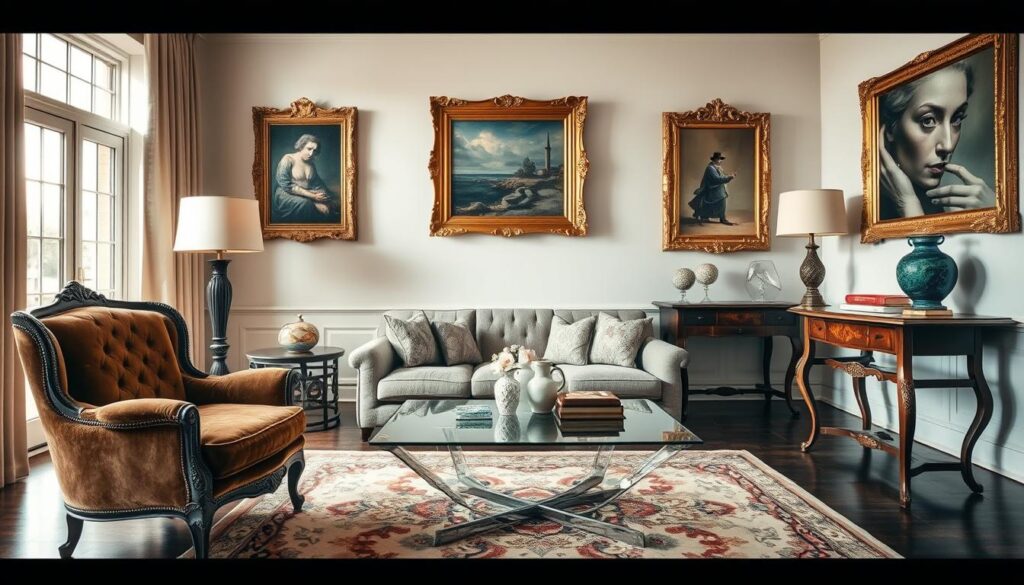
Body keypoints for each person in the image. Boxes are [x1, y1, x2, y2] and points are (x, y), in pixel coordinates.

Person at [878, 61, 994, 219]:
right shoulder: (876, 213)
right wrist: (907, 202)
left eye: (957, 119)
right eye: (928, 121)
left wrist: (995, 212)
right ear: (891, 128)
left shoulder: (956, 211)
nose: (948, 145)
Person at [272, 134, 337, 223]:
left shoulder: (311, 164)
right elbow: (286, 185)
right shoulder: (288, 159)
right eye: (309, 149)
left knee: (329, 204)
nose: (311, 154)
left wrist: (323, 196)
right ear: (301, 146)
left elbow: (317, 183)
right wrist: (313, 197)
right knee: (306, 204)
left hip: (307, 193)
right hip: (286, 194)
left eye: (314, 151)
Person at [688, 152, 736, 225]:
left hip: (718, 189)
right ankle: (721, 218)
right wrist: (729, 177)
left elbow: (722, 176)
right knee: (719, 203)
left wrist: (729, 176)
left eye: (721, 159)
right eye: (719, 159)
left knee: (719, 203)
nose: (720, 160)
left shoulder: (717, 167)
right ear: (715, 159)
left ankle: (719, 217)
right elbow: (717, 179)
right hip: (713, 190)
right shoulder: (710, 168)